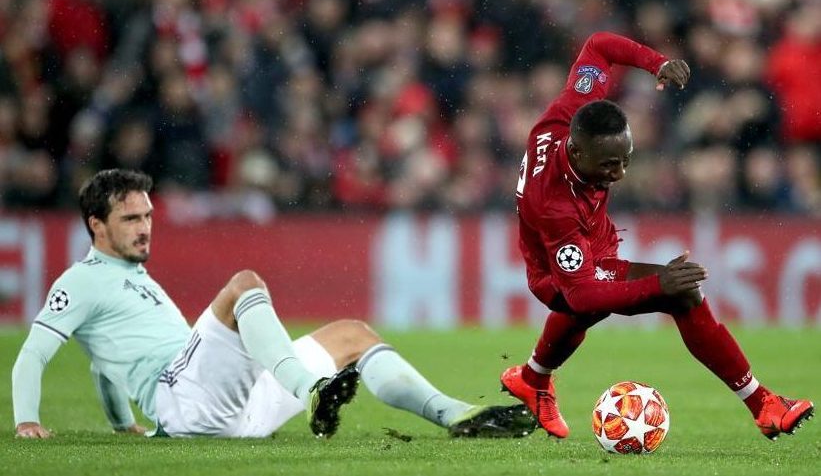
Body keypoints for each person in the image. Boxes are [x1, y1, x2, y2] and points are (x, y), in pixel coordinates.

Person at [13, 169, 537, 439]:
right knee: (244, 283)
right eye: (131, 220)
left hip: (234, 409)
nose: (146, 227)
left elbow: (105, 363)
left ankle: (457, 414)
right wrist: (25, 421)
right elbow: (32, 354)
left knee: (353, 334)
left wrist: (118, 425)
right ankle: (312, 389)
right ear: (95, 226)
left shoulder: (130, 277)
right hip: (186, 400)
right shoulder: (81, 281)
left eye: (148, 216)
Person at [500, 32, 814, 440]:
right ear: (577, 155)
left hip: (592, 238)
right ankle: (764, 405)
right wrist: (656, 284)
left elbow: (598, 46)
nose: (620, 174)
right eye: (610, 165)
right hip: (554, 271)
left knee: (599, 307)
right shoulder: (555, 205)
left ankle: (532, 379)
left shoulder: (571, 112)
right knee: (673, 294)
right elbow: (579, 293)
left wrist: (656, 63)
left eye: (626, 160)